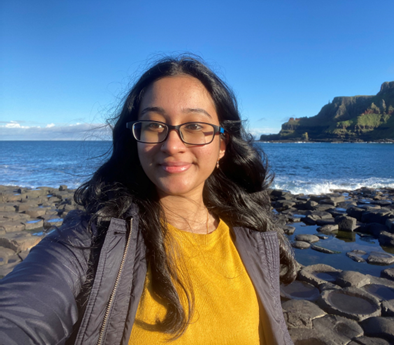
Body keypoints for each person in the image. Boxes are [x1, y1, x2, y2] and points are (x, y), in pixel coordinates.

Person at [0, 56, 296, 344]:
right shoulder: (91, 240)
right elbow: (18, 316)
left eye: (194, 126)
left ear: (222, 145)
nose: (172, 145)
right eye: (154, 125)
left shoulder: (254, 238)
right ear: (136, 138)